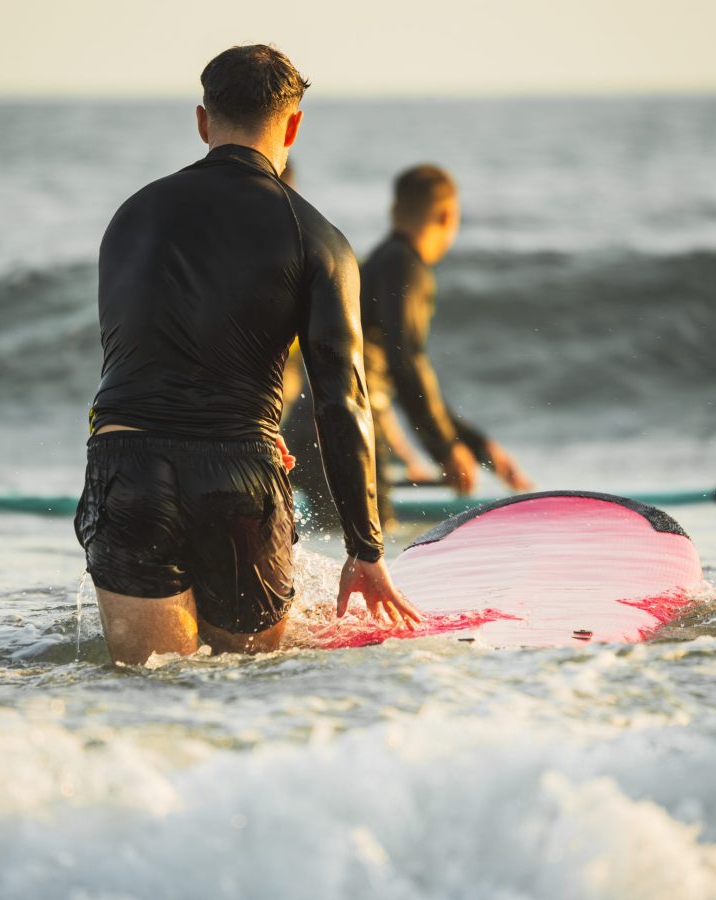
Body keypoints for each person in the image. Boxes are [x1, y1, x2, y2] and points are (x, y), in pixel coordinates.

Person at [74, 45, 420, 665]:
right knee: (245, 684)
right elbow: (342, 400)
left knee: (143, 683)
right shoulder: (318, 238)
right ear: (292, 125)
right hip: (237, 477)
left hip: (125, 465)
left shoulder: (130, 217)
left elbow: (132, 357)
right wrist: (365, 548)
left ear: (204, 121)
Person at [361, 165, 531, 527]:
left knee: (356, 548)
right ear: (446, 215)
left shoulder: (384, 259)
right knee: (376, 553)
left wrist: (477, 447)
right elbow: (405, 362)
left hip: (328, 420)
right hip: (352, 427)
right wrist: (444, 448)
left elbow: (404, 369)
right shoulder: (404, 265)